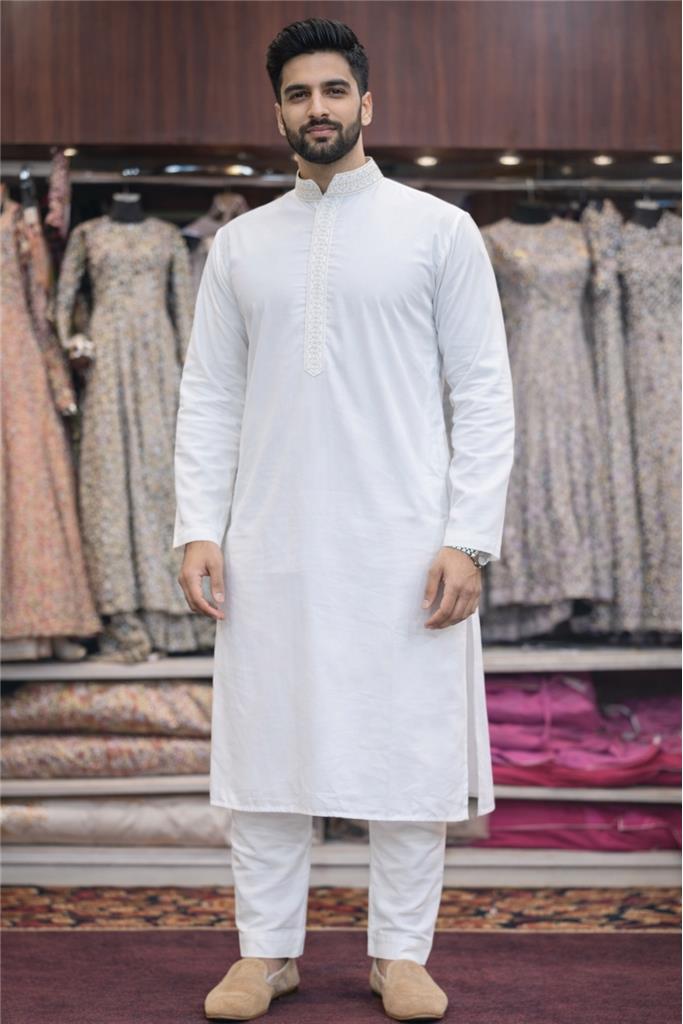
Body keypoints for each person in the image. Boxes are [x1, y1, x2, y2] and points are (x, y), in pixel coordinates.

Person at [173, 16, 515, 1022]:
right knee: (267, 748)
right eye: (296, 93)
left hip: (403, 543)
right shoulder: (240, 245)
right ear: (277, 111)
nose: (315, 108)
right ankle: (265, 953)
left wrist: (468, 537)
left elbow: (483, 394)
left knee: (406, 748)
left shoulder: (437, 230)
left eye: (331, 90)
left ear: (366, 101)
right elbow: (208, 397)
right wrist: (197, 525)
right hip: (270, 541)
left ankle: (399, 955)